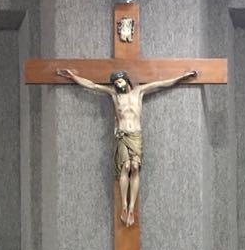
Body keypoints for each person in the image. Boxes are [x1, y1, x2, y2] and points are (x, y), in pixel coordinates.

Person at [56, 67, 197, 224]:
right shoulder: (114, 95)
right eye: (115, 82)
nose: (118, 84)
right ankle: (124, 204)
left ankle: (131, 207)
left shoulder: (139, 91)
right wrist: (73, 77)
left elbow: (162, 83)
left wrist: (182, 77)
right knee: (126, 166)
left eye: (120, 80)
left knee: (135, 167)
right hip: (123, 135)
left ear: (126, 79)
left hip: (136, 135)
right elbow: (93, 86)